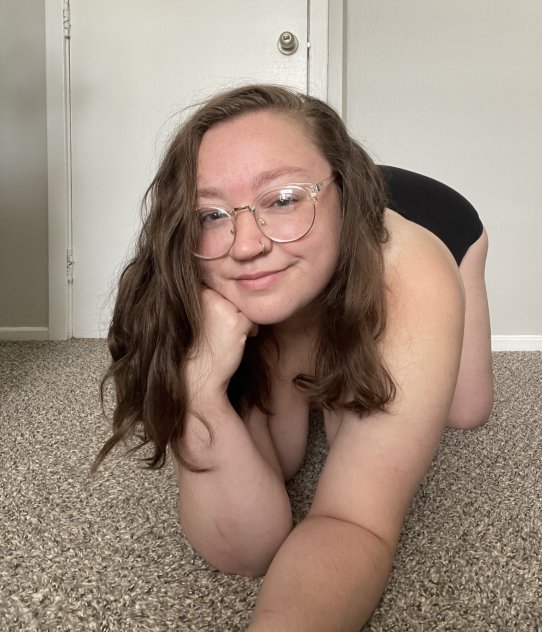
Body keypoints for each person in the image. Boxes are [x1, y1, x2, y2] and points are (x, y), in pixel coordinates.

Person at [93, 84, 494, 631]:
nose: (245, 245)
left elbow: (355, 522)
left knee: (465, 409)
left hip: (440, 220)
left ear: (342, 192)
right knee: (283, 449)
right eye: (210, 213)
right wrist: (200, 393)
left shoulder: (411, 268)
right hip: (319, 242)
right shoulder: (197, 274)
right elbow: (245, 551)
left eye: (282, 199)